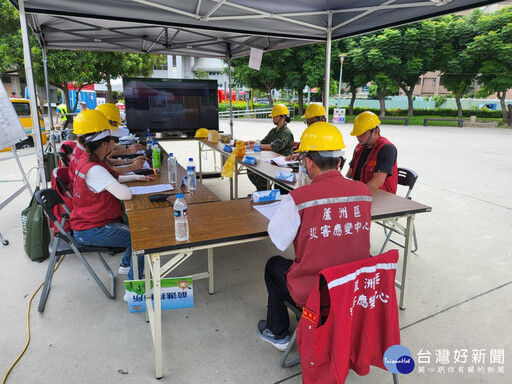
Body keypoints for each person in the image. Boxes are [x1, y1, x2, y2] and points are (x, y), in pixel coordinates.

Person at [257, 122, 372, 351]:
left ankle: (278, 333)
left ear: (308, 162)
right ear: (340, 161)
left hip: (317, 290)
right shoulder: (364, 192)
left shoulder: (300, 197)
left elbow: (278, 241)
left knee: (273, 265)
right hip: (352, 286)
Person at [70, 110, 154, 280]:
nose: (114, 145)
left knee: (136, 226)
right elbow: (125, 194)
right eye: (112, 141)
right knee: (140, 235)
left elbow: (110, 178)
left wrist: (137, 176)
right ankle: (135, 286)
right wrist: (130, 185)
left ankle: (125, 265)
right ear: (104, 145)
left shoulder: (90, 159)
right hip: (91, 229)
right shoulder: (94, 168)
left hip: (91, 222)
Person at [244, 104, 294, 191]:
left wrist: (256, 146)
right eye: (273, 116)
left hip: (281, 164)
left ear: (283, 117)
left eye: (275, 116)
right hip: (270, 160)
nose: (273, 118)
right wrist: (252, 142)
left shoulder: (286, 132)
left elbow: (274, 147)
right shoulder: (273, 131)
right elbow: (264, 142)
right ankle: (261, 190)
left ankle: (266, 191)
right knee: (251, 170)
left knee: (258, 172)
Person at [346, 111, 398, 193]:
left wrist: (359, 196)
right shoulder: (359, 147)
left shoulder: (386, 149)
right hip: (361, 194)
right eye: (357, 134)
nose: (358, 137)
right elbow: (350, 173)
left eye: (362, 134)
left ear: (376, 132)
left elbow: (377, 182)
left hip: (380, 198)